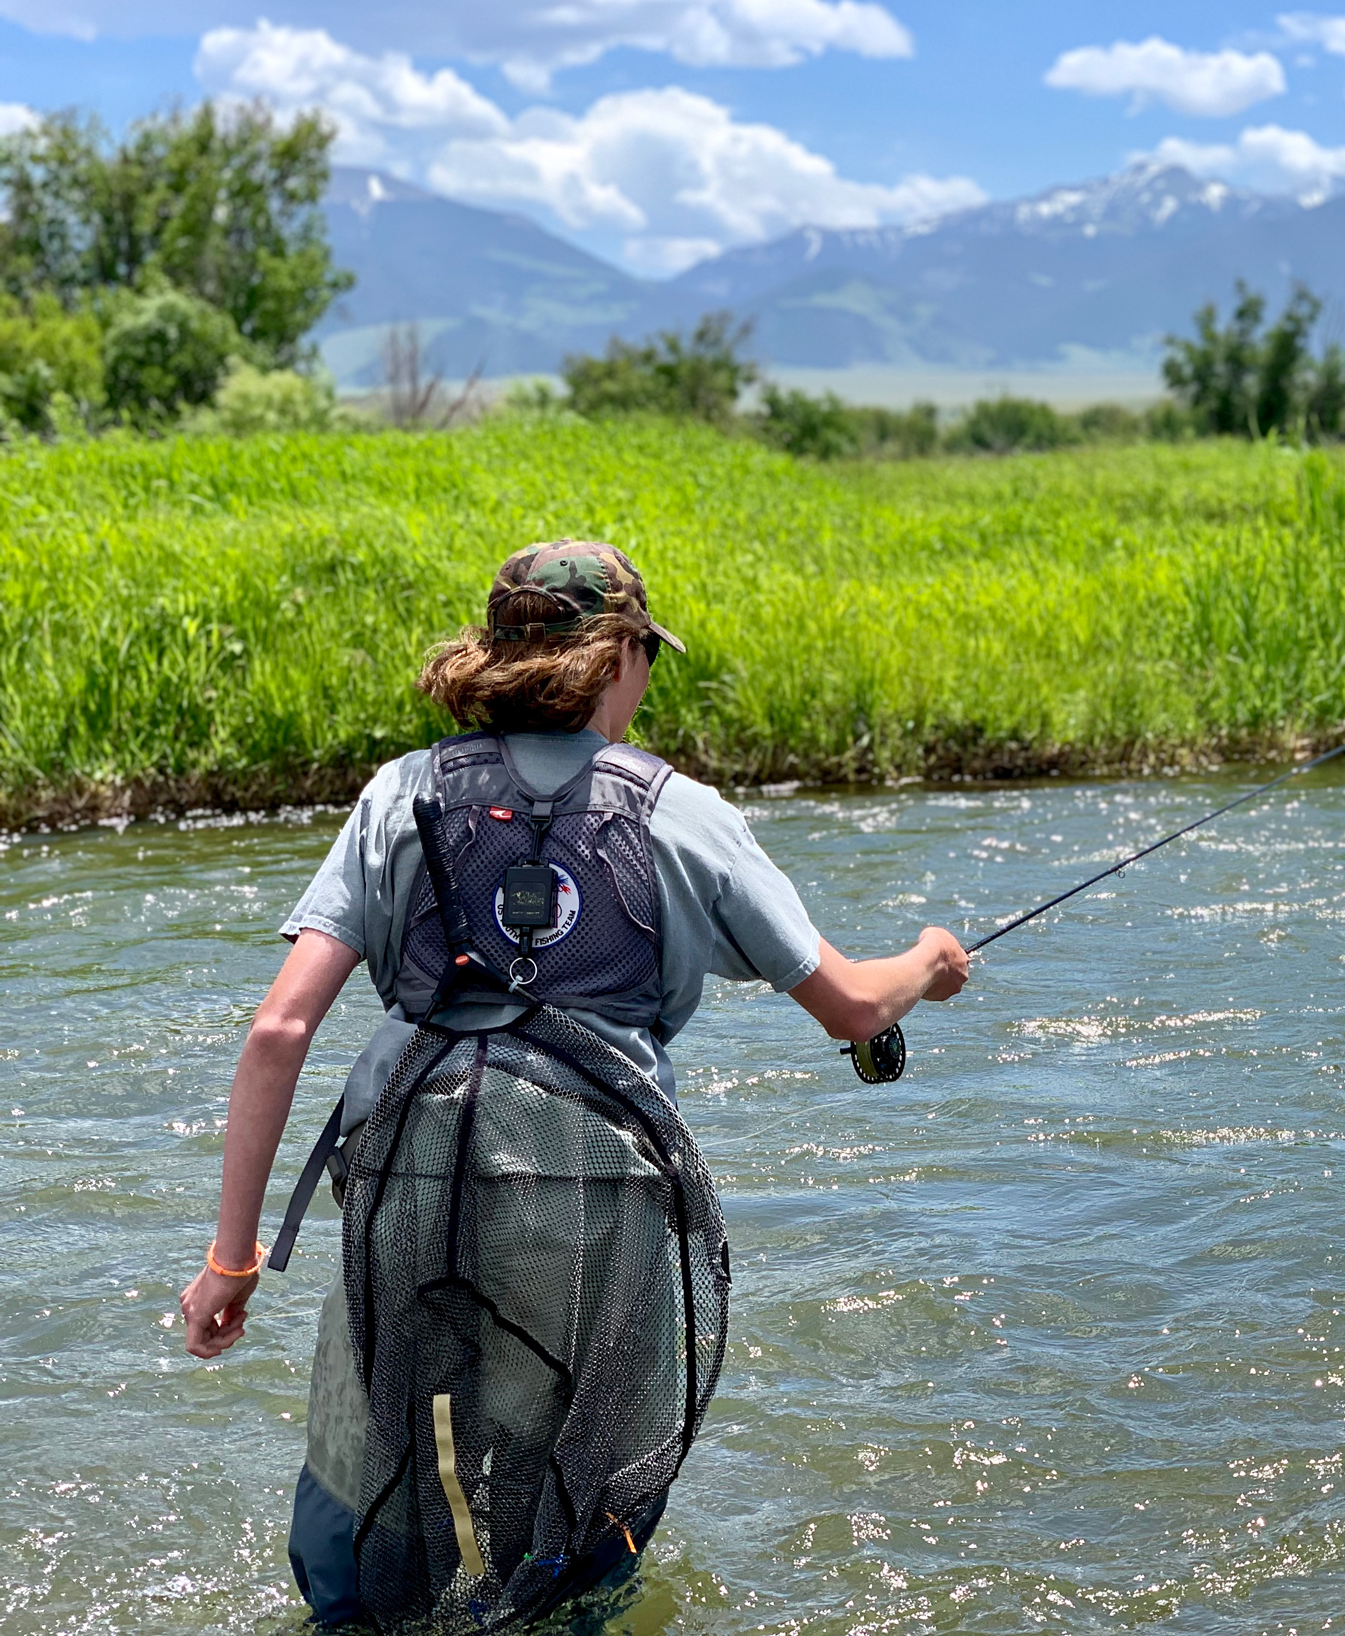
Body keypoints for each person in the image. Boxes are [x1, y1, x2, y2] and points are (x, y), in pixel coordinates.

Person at [175, 541, 969, 1624]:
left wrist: (234, 1259)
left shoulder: (402, 794)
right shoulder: (682, 812)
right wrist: (929, 958)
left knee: (391, 1474)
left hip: (411, 1176)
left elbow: (278, 1029)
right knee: (573, 1491)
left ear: (497, 655)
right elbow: (854, 1010)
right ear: (619, 659)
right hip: (599, 1200)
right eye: (646, 658)